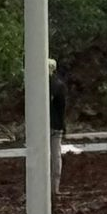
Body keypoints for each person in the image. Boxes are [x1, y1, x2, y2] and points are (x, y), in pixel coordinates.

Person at [48, 58, 68, 196]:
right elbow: (62, 108)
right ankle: (54, 188)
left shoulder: (38, 84)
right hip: (56, 125)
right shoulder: (60, 85)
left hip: (42, 125)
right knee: (56, 156)